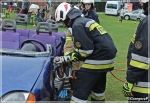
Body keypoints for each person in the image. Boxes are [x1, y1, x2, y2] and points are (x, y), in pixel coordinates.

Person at [54, 2, 117, 102]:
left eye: (62, 21)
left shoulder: (77, 25)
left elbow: (85, 51)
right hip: (107, 57)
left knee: (79, 93)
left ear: (67, 17)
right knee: (98, 92)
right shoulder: (84, 20)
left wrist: (65, 58)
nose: (63, 24)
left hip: (97, 58)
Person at [122, 0, 149, 102]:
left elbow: (142, 57)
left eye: (143, 2)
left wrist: (130, 80)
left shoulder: (147, 22)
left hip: (143, 85)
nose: (141, 4)